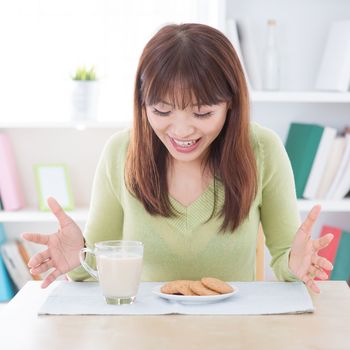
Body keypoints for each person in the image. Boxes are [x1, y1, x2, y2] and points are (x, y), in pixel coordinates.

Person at [22, 23, 334, 294]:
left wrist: (296, 264)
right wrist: (79, 258)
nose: (182, 130)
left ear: (231, 105)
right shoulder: (120, 152)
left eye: (202, 112)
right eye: (161, 111)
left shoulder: (262, 149)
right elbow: (94, 271)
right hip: (143, 333)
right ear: (142, 104)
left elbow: (284, 259)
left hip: (233, 332)